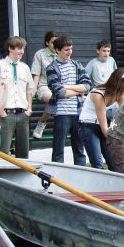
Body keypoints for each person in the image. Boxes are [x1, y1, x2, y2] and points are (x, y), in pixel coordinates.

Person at [46, 35, 92, 165]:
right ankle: (57, 177)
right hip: (61, 113)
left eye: (70, 49)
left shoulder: (76, 64)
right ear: (57, 50)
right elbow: (59, 92)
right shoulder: (51, 68)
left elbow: (87, 86)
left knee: (79, 148)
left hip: (78, 112)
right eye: (66, 49)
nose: (69, 52)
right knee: (58, 149)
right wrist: (78, 91)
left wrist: (66, 86)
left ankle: (80, 175)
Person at [0, 37, 35, 158]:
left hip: (23, 114)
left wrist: (29, 109)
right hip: (6, 114)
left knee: (24, 151)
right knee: (3, 150)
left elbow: (30, 89)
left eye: (23, 49)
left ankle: (22, 176)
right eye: (19, 48)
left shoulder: (24, 67)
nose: (22, 51)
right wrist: (0, 110)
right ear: (10, 48)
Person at [78, 68, 124, 170]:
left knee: (114, 162)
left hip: (101, 125)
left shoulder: (119, 94)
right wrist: (118, 141)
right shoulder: (98, 94)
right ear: (119, 84)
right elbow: (104, 127)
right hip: (88, 126)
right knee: (98, 163)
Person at [31, 31, 58, 139]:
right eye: (52, 42)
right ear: (47, 42)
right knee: (53, 99)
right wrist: (33, 90)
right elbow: (36, 74)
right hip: (44, 85)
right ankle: (41, 123)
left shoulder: (61, 52)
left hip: (59, 86)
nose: (55, 45)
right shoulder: (40, 54)